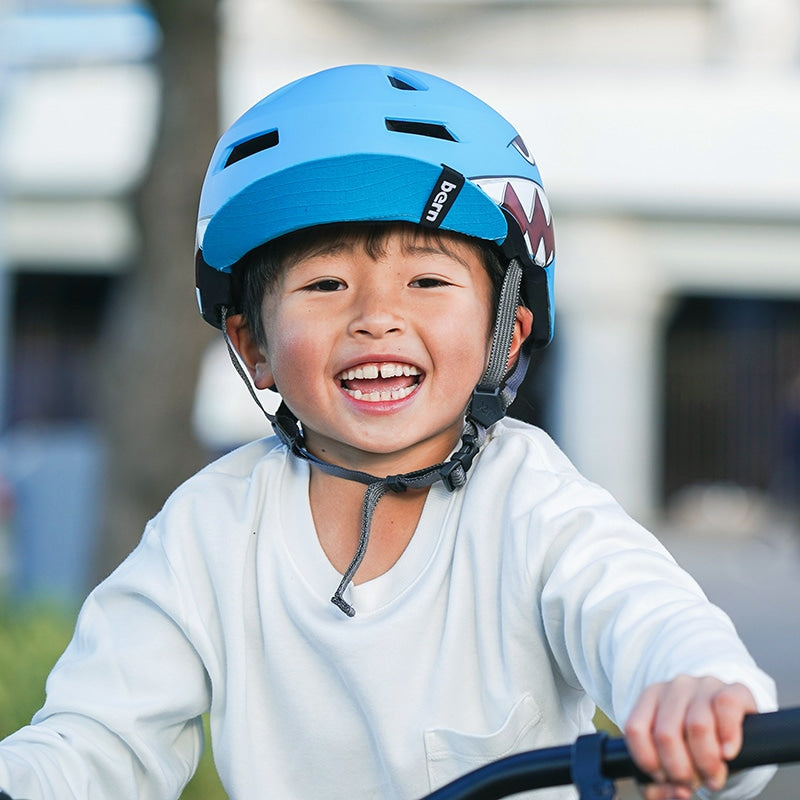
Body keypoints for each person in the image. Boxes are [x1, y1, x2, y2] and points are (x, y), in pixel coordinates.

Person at [0, 64, 777, 800]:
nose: (376, 316)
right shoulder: (210, 530)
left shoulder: (535, 508)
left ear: (505, 335)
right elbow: (98, 738)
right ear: (254, 348)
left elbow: (642, 614)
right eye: (325, 284)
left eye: (428, 280)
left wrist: (697, 694)